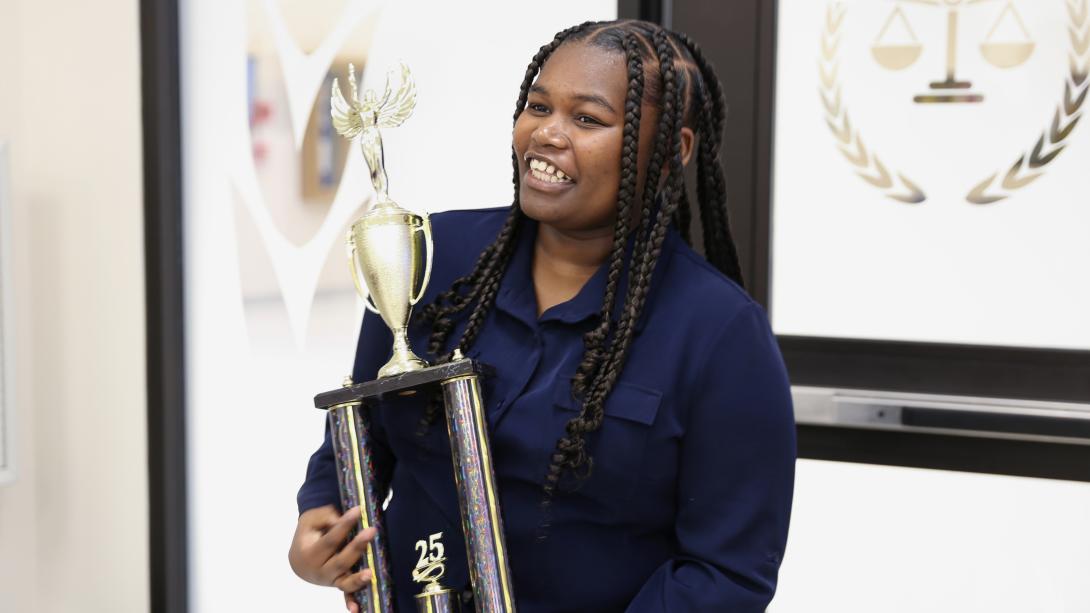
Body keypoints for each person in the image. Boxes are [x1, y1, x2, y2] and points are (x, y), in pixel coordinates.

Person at [289, 19, 796, 613]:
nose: (547, 134)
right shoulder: (428, 257)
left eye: (588, 119)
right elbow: (361, 434)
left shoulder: (719, 332)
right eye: (537, 106)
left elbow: (726, 573)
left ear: (670, 153)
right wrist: (323, 523)